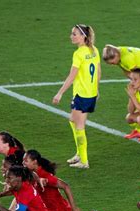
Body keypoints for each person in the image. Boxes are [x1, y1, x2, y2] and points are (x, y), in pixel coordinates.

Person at [53, 24, 100, 169]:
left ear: (83, 36)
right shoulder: (94, 50)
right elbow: (98, 72)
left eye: (74, 34)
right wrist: (97, 90)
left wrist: (60, 93)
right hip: (90, 93)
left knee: (79, 126)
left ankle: (84, 161)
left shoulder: (79, 54)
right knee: (73, 120)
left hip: (82, 94)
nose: (71, 36)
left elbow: (72, 76)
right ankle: (80, 153)